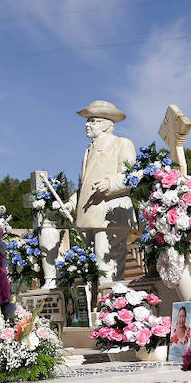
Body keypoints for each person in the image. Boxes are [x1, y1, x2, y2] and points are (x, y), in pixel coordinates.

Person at [70, 100, 137, 286]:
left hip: (111, 215)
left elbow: (131, 175)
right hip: (90, 218)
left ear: (107, 125)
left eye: (93, 120)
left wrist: (109, 183)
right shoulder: (88, 150)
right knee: (94, 268)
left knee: (108, 267)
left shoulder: (122, 144)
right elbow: (86, 185)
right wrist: (72, 201)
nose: (87, 124)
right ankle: (99, 308)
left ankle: (111, 307)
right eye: (88, 120)